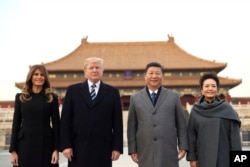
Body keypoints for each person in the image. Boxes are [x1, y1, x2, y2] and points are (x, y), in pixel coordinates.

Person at [60, 57, 123, 167]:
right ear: (85, 71)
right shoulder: (73, 90)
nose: (95, 70)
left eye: (97, 67)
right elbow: (65, 120)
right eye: (91, 68)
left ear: (102, 71)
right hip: (77, 148)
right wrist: (66, 145)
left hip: (103, 148)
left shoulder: (112, 92)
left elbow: (117, 123)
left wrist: (117, 148)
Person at [127, 62, 188, 167]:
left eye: (157, 73)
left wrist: (183, 146)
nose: (154, 76)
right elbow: (132, 126)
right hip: (145, 150)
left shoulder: (173, 97)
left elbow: (181, 124)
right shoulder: (135, 98)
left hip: (168, 149)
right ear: (145, 76)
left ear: (162, 77)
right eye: (151, 73)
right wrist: (132, 149)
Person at [186, 73, 242, 167]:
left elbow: (235, 139)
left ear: (217, 90)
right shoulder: (196, 110)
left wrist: (239, 162)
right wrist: (192, 158)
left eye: (213, 86)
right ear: (202, 90)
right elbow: (191, 136)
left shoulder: (227, 109)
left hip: (224, 158)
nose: (210, 89)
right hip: (203, 158)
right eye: (206, 86)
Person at [9, 64, 60, 167]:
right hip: (24, 146)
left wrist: (56, 150)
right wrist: (13, 150)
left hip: (46, 146)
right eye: (36, 74)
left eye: (42, 75)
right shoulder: (21, 97)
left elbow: (57, 125)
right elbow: (16, 124)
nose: (39, 77)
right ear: (30, 77)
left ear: (45, 78)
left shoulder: (51, 97)